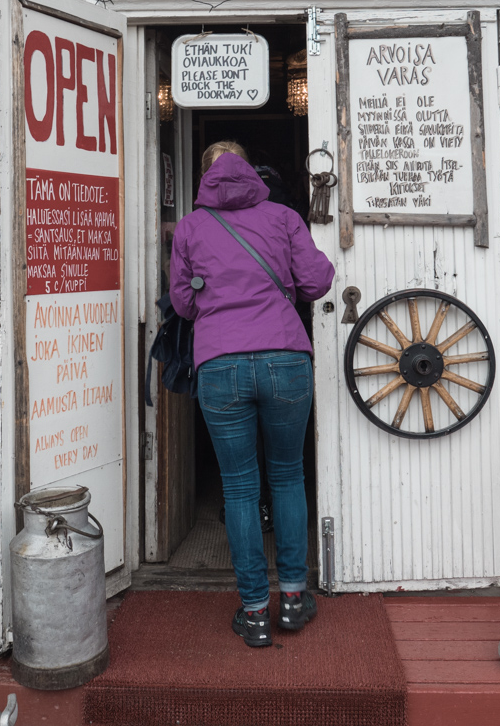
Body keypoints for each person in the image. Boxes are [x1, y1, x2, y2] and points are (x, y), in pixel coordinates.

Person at [170, 141, 335, 648]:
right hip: (285, 357)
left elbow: (181, 302)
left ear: (204, 176)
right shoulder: (284, 216)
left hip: (221, 364)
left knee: (239, 488)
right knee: (287, 477)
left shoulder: (191, 227)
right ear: (251, 169)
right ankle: (292, 598)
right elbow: (317, 280)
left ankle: (255, 611)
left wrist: (213, 300)